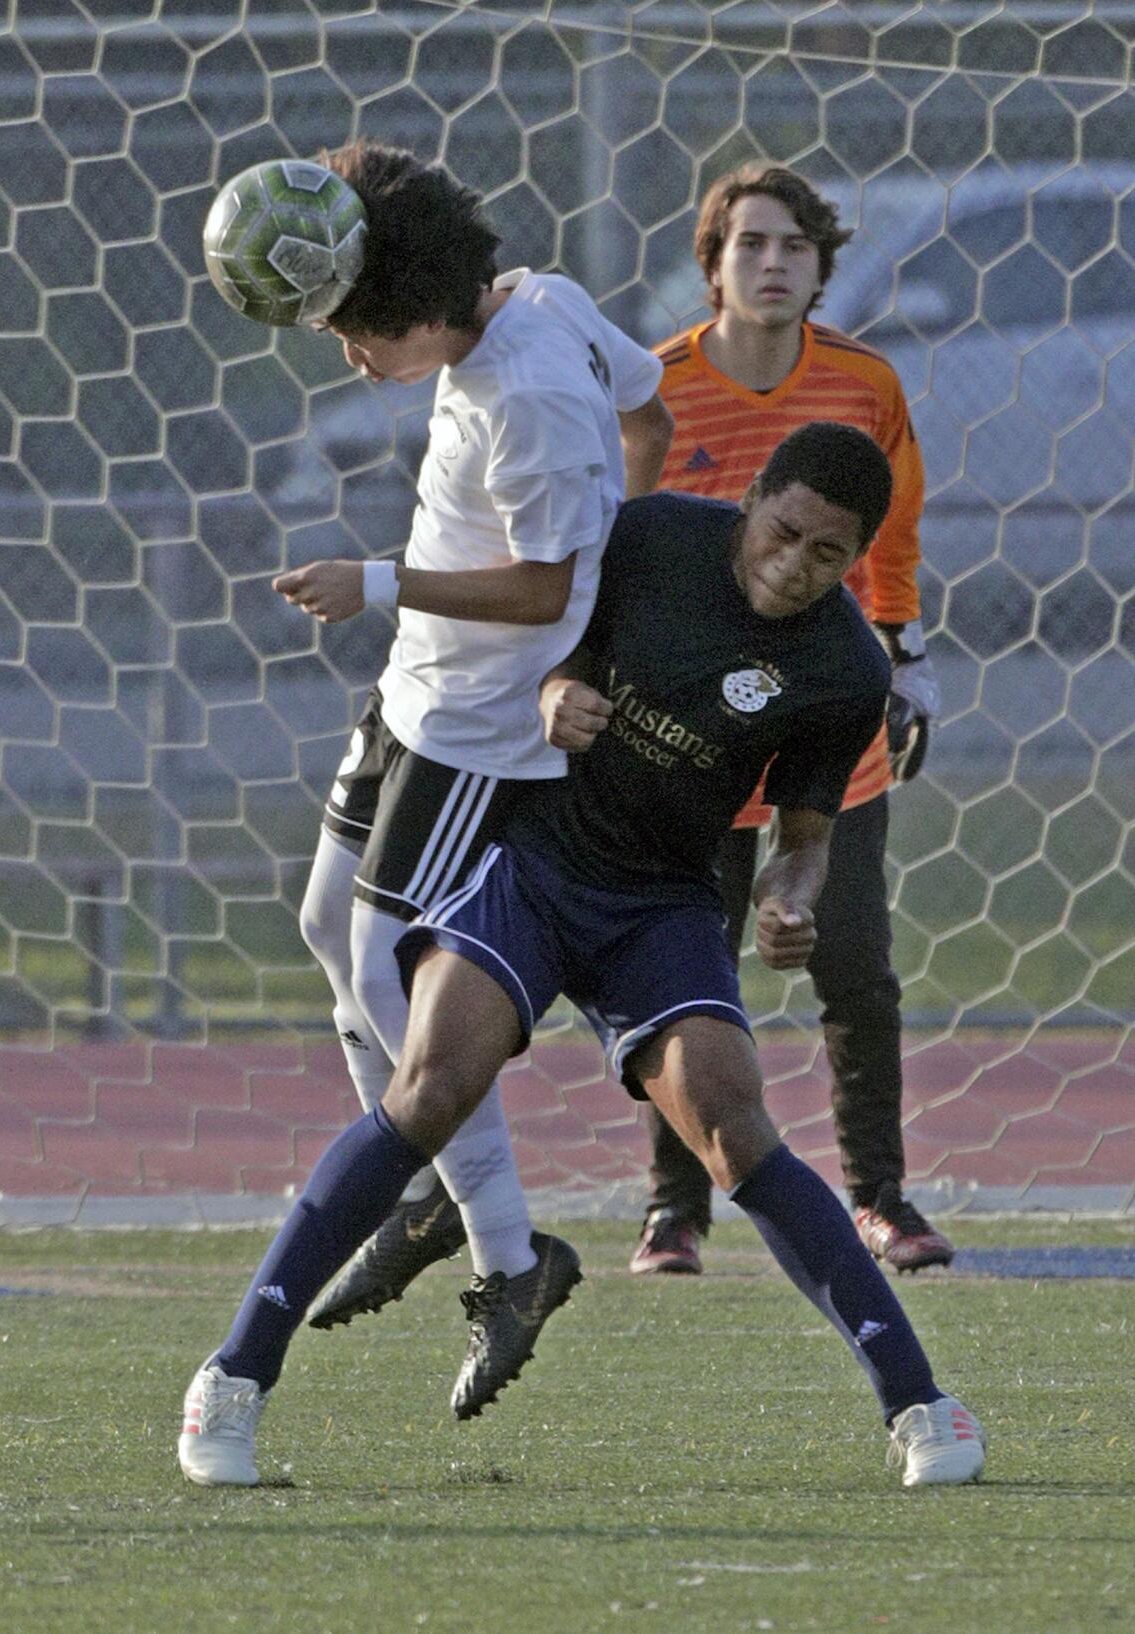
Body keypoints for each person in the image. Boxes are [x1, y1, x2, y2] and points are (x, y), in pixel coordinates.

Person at [177, 422, 985, 1490]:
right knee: (429, 1086)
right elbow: (542, 638)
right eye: (785, 534)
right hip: (534, 864)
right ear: (753, 500)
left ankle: (923, 1406)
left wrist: (794, 907)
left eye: (827, 556)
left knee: (734, 1123)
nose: (795, 567)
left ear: (855, 560)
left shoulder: (842, 667)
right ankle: (230, 1382)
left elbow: (803, 842)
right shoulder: (649, 538)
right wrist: (553, 693)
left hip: (665, 902)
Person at [178, 140, 672, 1483]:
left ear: (421, 311)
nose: (350, 359)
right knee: (327, 925)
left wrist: (380, 578)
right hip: (413, 700)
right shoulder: (542, 302)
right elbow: (657, 403)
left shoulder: (525, 397)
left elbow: (538, 590)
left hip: (474, 737)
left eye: (357, 334)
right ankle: (441, 1201)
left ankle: (504, 1248)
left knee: (402, 989)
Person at [629, 163, 951, 1279]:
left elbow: (895, 528)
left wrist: (902, 648)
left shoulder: (864, 384)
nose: (772, 264)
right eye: (749, 244)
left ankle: (881, 1198)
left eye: (794, 248)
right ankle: (674, 1212)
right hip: (690, 736)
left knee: (854, 965)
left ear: (820, 268)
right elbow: (629, 548)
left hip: (830, 721)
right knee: (684, 965)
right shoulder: (656, 385)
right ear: (710, 260)